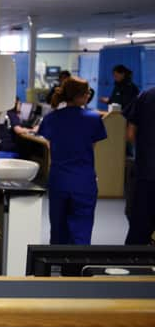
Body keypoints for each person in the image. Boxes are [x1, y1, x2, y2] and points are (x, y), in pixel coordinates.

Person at [38, 77, 107, 244]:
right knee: (81, 231)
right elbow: (92, 146)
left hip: (59, 180)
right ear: (83, 95)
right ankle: (77, 268)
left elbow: (49, 144)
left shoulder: (51, 118)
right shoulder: (93, 119)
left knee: (58, 228)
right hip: (83, 181)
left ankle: (58, 264)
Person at [123, 87, 155, 244]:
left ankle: (134, 263)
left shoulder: (146, 95)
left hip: (147, 170)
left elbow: (130, 135)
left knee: (139, 227)